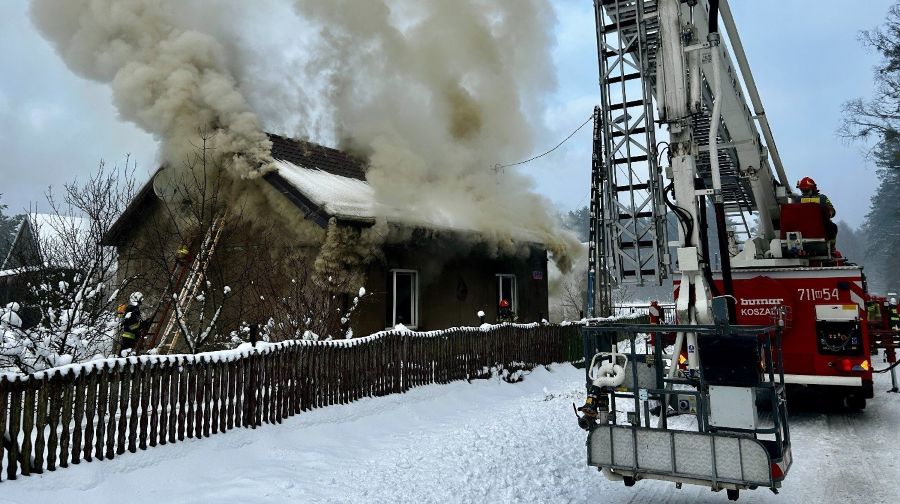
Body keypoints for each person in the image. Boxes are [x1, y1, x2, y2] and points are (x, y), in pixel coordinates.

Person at [796, 177, 838, 248]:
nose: (804, 193)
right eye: (802, 191)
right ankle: (831, 247)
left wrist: (830, 212)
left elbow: (832, 210)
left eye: (806, 191)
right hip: (803, 227)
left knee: (833, 227)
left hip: (820, 226)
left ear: (813, 189)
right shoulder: (798, 199)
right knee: (833, 227)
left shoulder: (822, 198)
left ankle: (831, 247)